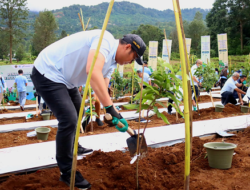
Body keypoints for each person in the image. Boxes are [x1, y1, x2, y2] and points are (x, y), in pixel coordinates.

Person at [30, 29, 146, 189]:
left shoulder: (112, 62)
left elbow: (102, 89)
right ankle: (67, 172)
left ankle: (73, 145)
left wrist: (112, 114)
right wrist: (110, 108)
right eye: (133, 58)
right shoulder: (104, 40)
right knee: (69, 120)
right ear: (127, 48)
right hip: (48, 72)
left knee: (79, 112)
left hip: (67, 81)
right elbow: (92, 71)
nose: (130, 63)